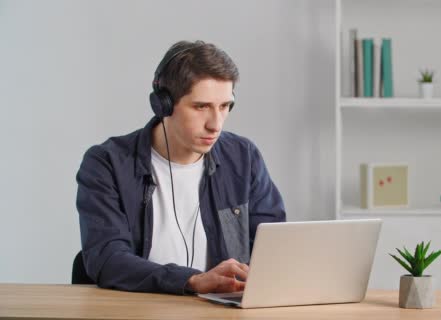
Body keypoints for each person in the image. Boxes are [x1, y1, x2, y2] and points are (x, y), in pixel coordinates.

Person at [76, 40, 286, 295]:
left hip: (221, 313)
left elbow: (273, 247)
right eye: (201, 107)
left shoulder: (244, 157)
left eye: (225, 106)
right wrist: (192, 281)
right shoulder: (106, 164)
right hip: (138, 310)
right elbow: (107, 259)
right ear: (163, 104)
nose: (215, 124)